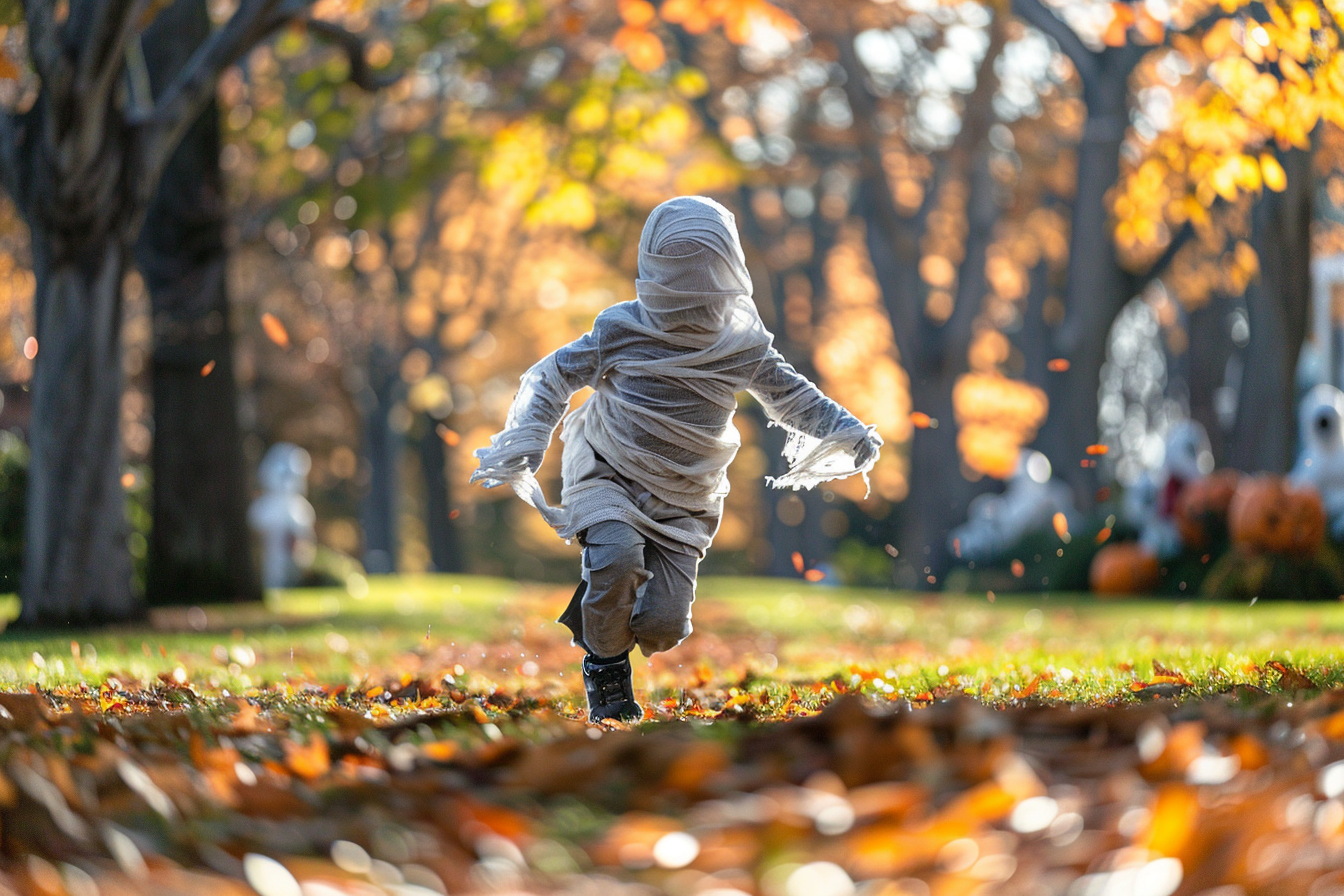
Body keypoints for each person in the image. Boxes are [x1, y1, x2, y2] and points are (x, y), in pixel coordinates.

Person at [471, 196, 881, 722]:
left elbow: (793, 396)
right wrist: (527, 437)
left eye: (704, 269)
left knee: (664, 624)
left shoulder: (741, 344)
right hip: (606, 469)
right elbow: (552, 375)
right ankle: (606, 672)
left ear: (726, 268)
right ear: (654, 267)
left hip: (686, 493)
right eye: (680, 269)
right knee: (616, 556)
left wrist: (846, 430)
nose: (692, 284)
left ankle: (604, 609)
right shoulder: (620, 328)